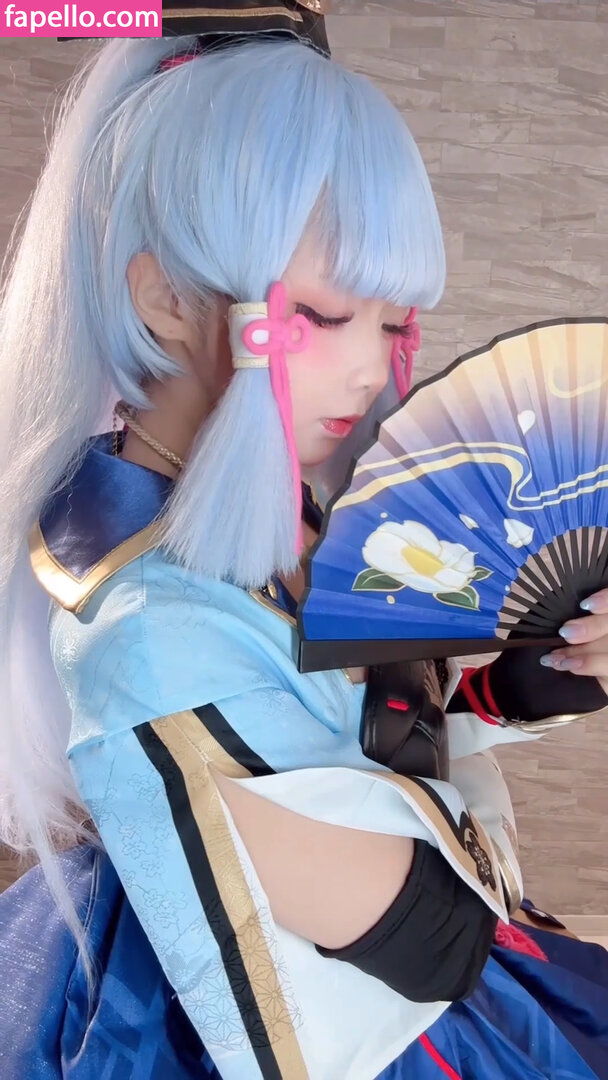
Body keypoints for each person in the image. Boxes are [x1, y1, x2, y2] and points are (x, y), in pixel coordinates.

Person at [1, 5, 608, 1078]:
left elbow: (374, 729)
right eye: (326, 315)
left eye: (394, 321)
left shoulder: (272, 506)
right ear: (168, 300)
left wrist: (534, 674)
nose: (372, 370)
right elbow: (421, 938)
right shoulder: (146, 630)